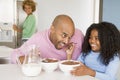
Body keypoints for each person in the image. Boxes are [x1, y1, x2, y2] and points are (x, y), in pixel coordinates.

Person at [11, 14, 84, 64]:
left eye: (70, 37)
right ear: (52, 29)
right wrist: (27, 60)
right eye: (64, 35)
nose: (67, 41)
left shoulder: (78, 35)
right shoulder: (38, 39)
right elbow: (14, 54)